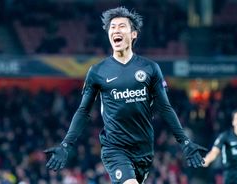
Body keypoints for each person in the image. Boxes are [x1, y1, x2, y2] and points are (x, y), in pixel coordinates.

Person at [44, 7, 207, 184]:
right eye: (112, 27)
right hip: (115, 148)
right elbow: (83, 111)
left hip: (144, 150)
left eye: (122, 26)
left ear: (134, 34)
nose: (116, 30)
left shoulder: (150, 68)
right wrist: (66, 144)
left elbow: (165, 108)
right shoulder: (98, 72)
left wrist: (184, 142)